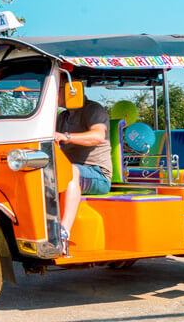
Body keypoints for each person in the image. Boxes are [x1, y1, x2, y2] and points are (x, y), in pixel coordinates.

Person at [53, 74, 112, 241]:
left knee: (70, 171)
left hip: (98, 175)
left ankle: (63, 232)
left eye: (56, 89)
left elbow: (98, 136)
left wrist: (66, 136)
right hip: (71, 172)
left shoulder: (93, 109)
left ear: (72, 90)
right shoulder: (62, 117)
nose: (53, 95)